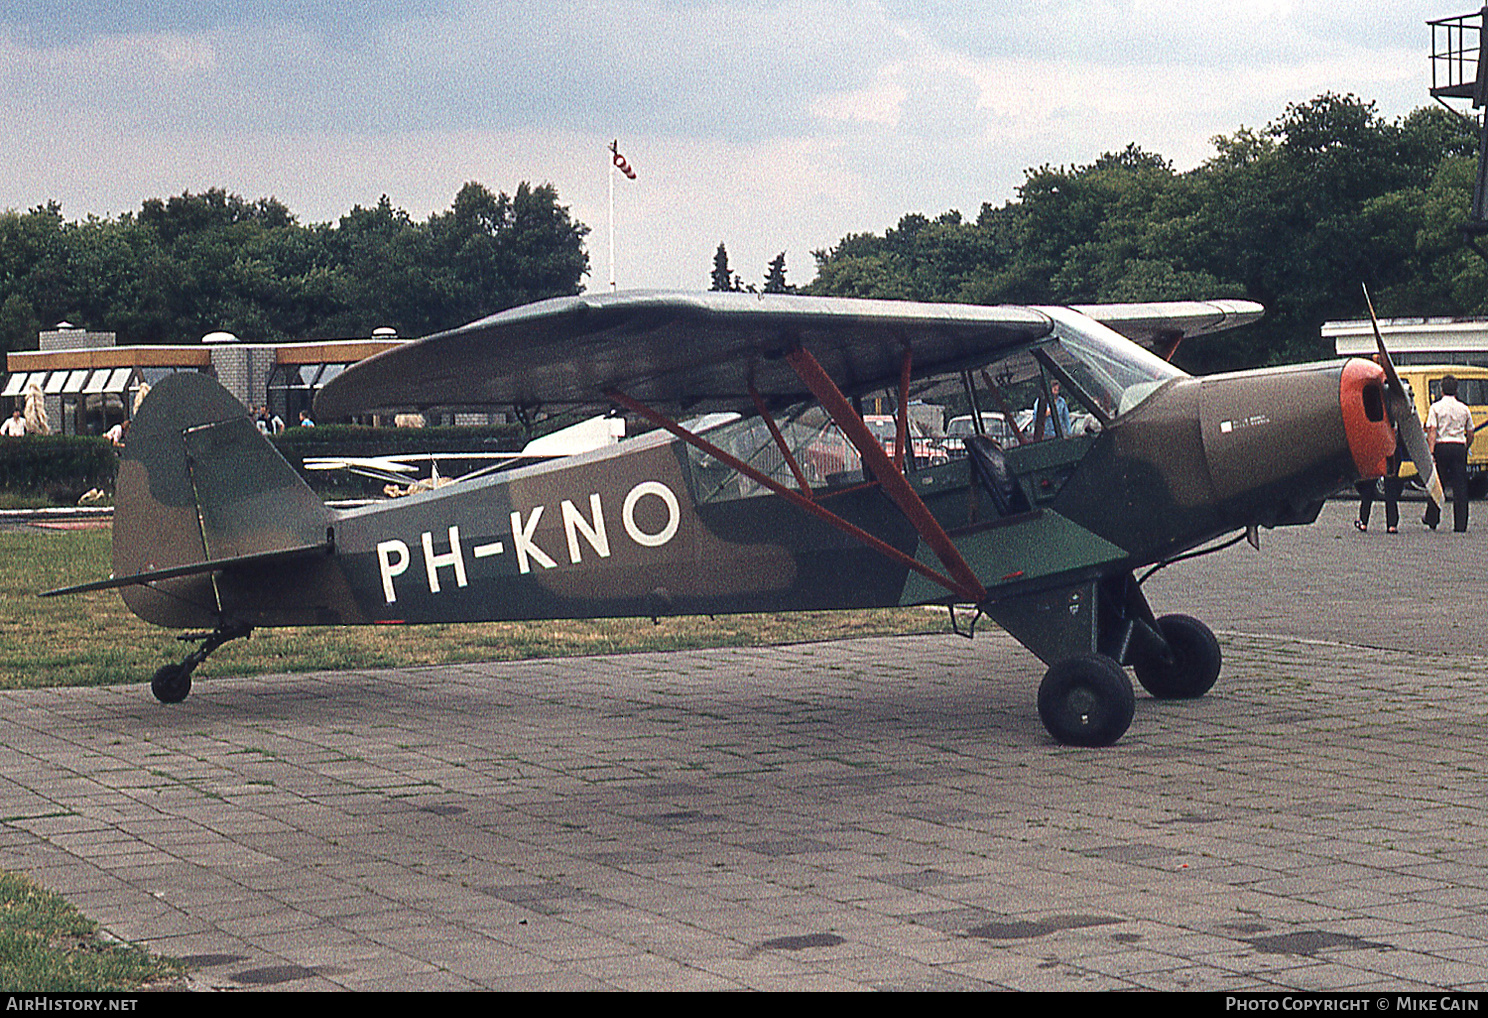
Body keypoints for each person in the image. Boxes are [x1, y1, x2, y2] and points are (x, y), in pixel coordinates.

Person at [1423, 374, 1474, 533]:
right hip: (1458, 446)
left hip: (1442, 446)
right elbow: (1470, 431)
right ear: (1456, 389)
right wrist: (1466, 445)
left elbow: (1432, 431)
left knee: (1438, 484)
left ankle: (1432, 517)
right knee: (1460, 486)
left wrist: (1431, 452)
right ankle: (1460, 524)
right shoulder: (1464, 408)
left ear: (1442, 389)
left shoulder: (1436, 408)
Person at [1355, 431, 1403, 533]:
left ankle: (1363, 521)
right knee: (1391, 487)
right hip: (1391, 447)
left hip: (1375, 445)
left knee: (1369, 484)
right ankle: (1392, 523)